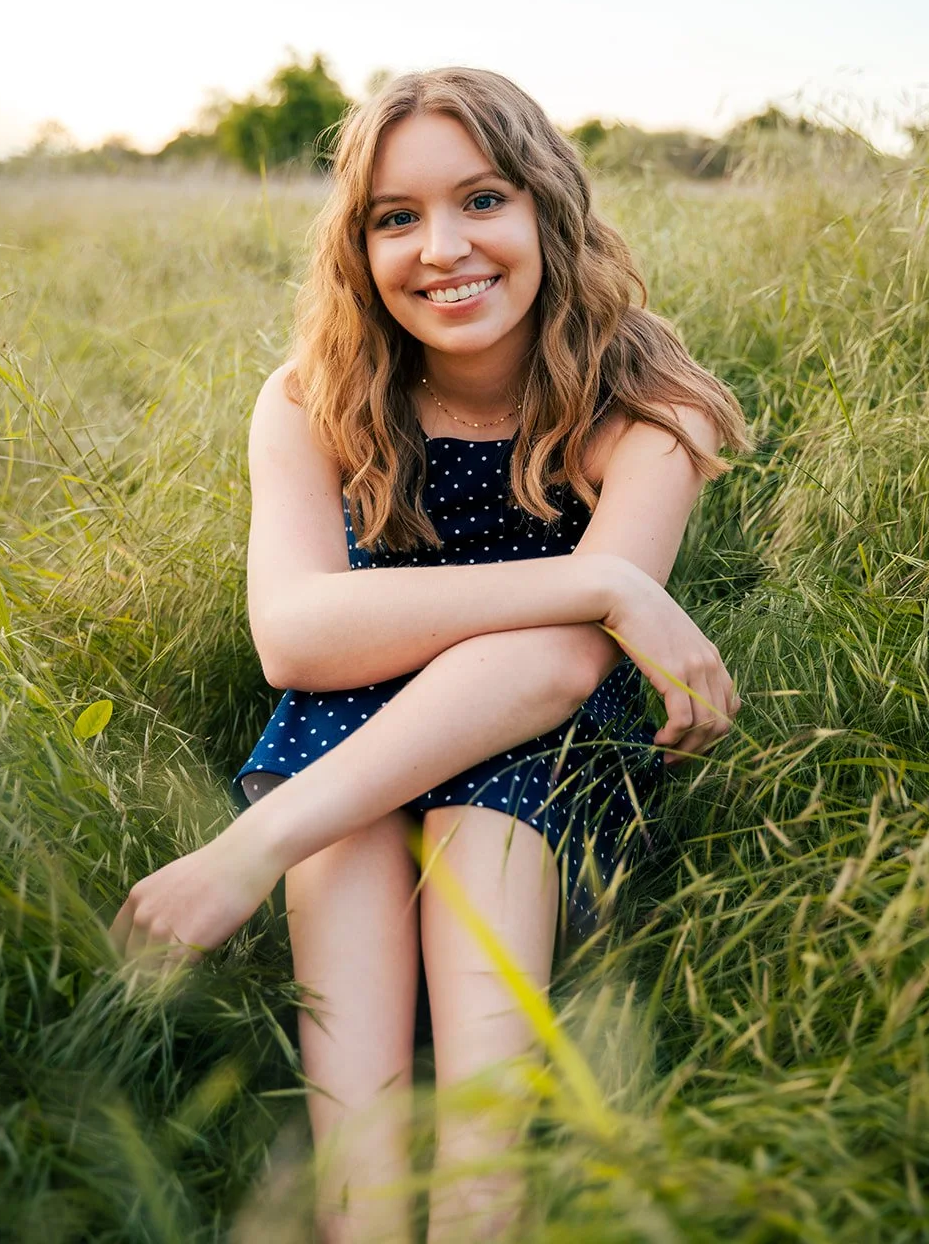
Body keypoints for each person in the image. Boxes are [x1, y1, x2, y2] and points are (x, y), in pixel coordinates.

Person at [109, 66, 749, 1241]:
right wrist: (602, 581)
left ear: (549, 209)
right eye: (395, 218)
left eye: (481, 200)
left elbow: (556, 670)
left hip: (529, 765)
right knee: (357, 1154)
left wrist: (586, 611)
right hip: (338, 759)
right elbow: (295, 642)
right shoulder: (313, 397)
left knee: (475, 1158)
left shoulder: (645, 409)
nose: (441, 247)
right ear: (357, 249)